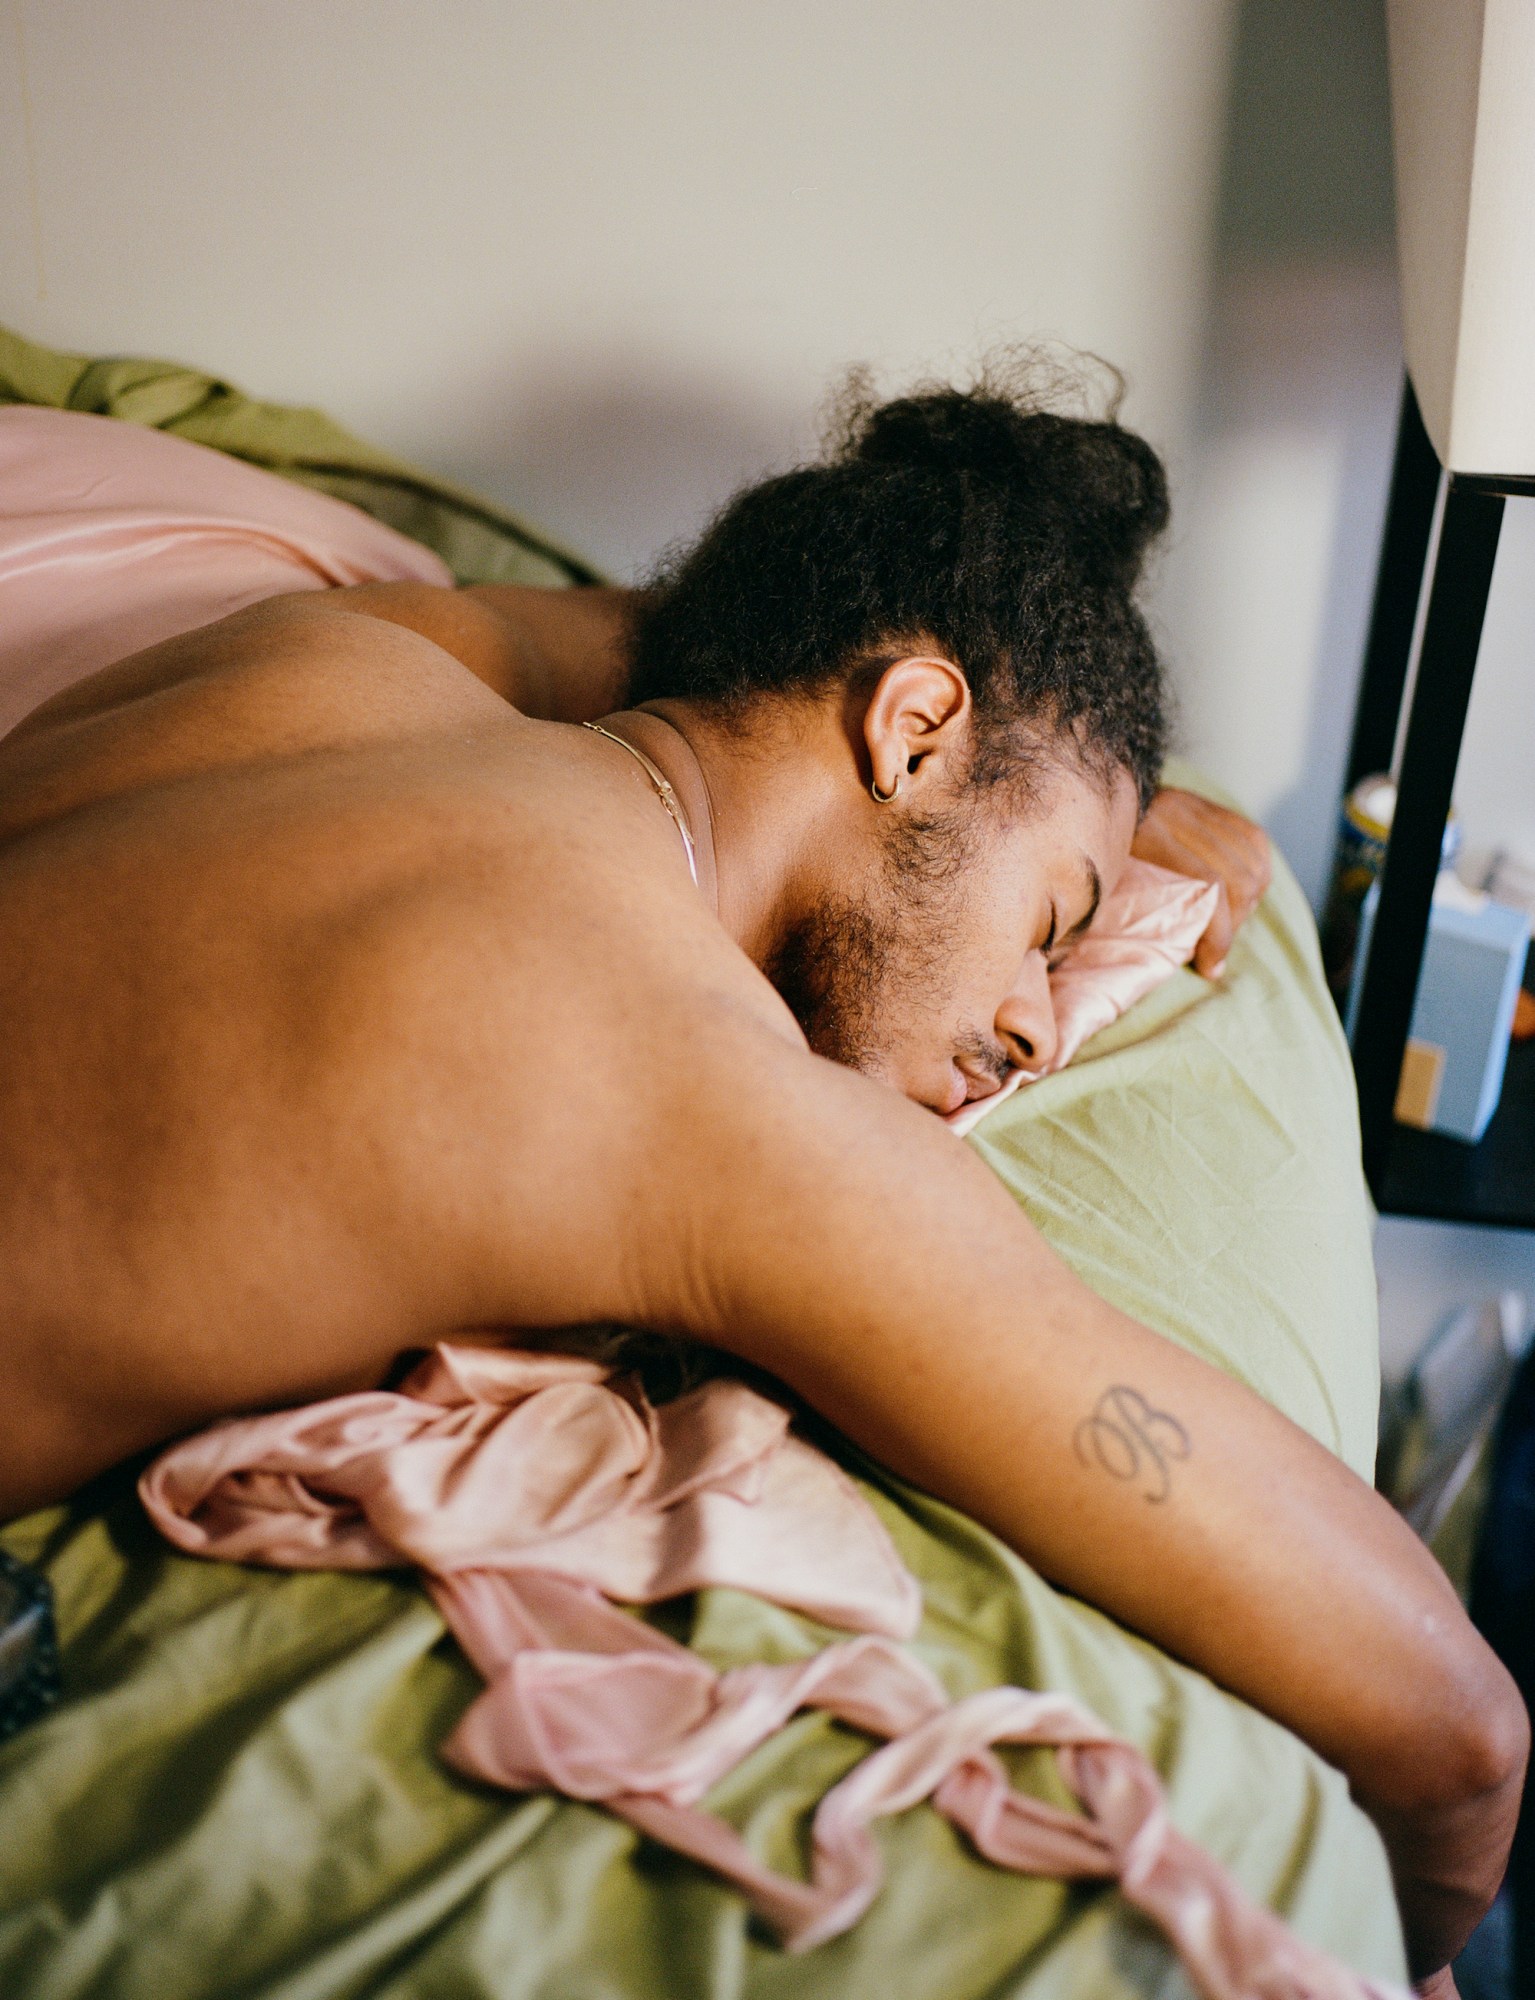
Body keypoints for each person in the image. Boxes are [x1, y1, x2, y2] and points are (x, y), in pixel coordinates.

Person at [0, 376, 1521, 1993]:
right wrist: (1429, 1948)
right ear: (913, 725)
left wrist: (1031, 743)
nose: (1035, 1025)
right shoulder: (695, 1093)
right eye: (1061, 920)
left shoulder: (340, 660)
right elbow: (1456, 1733)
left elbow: (604, 635)